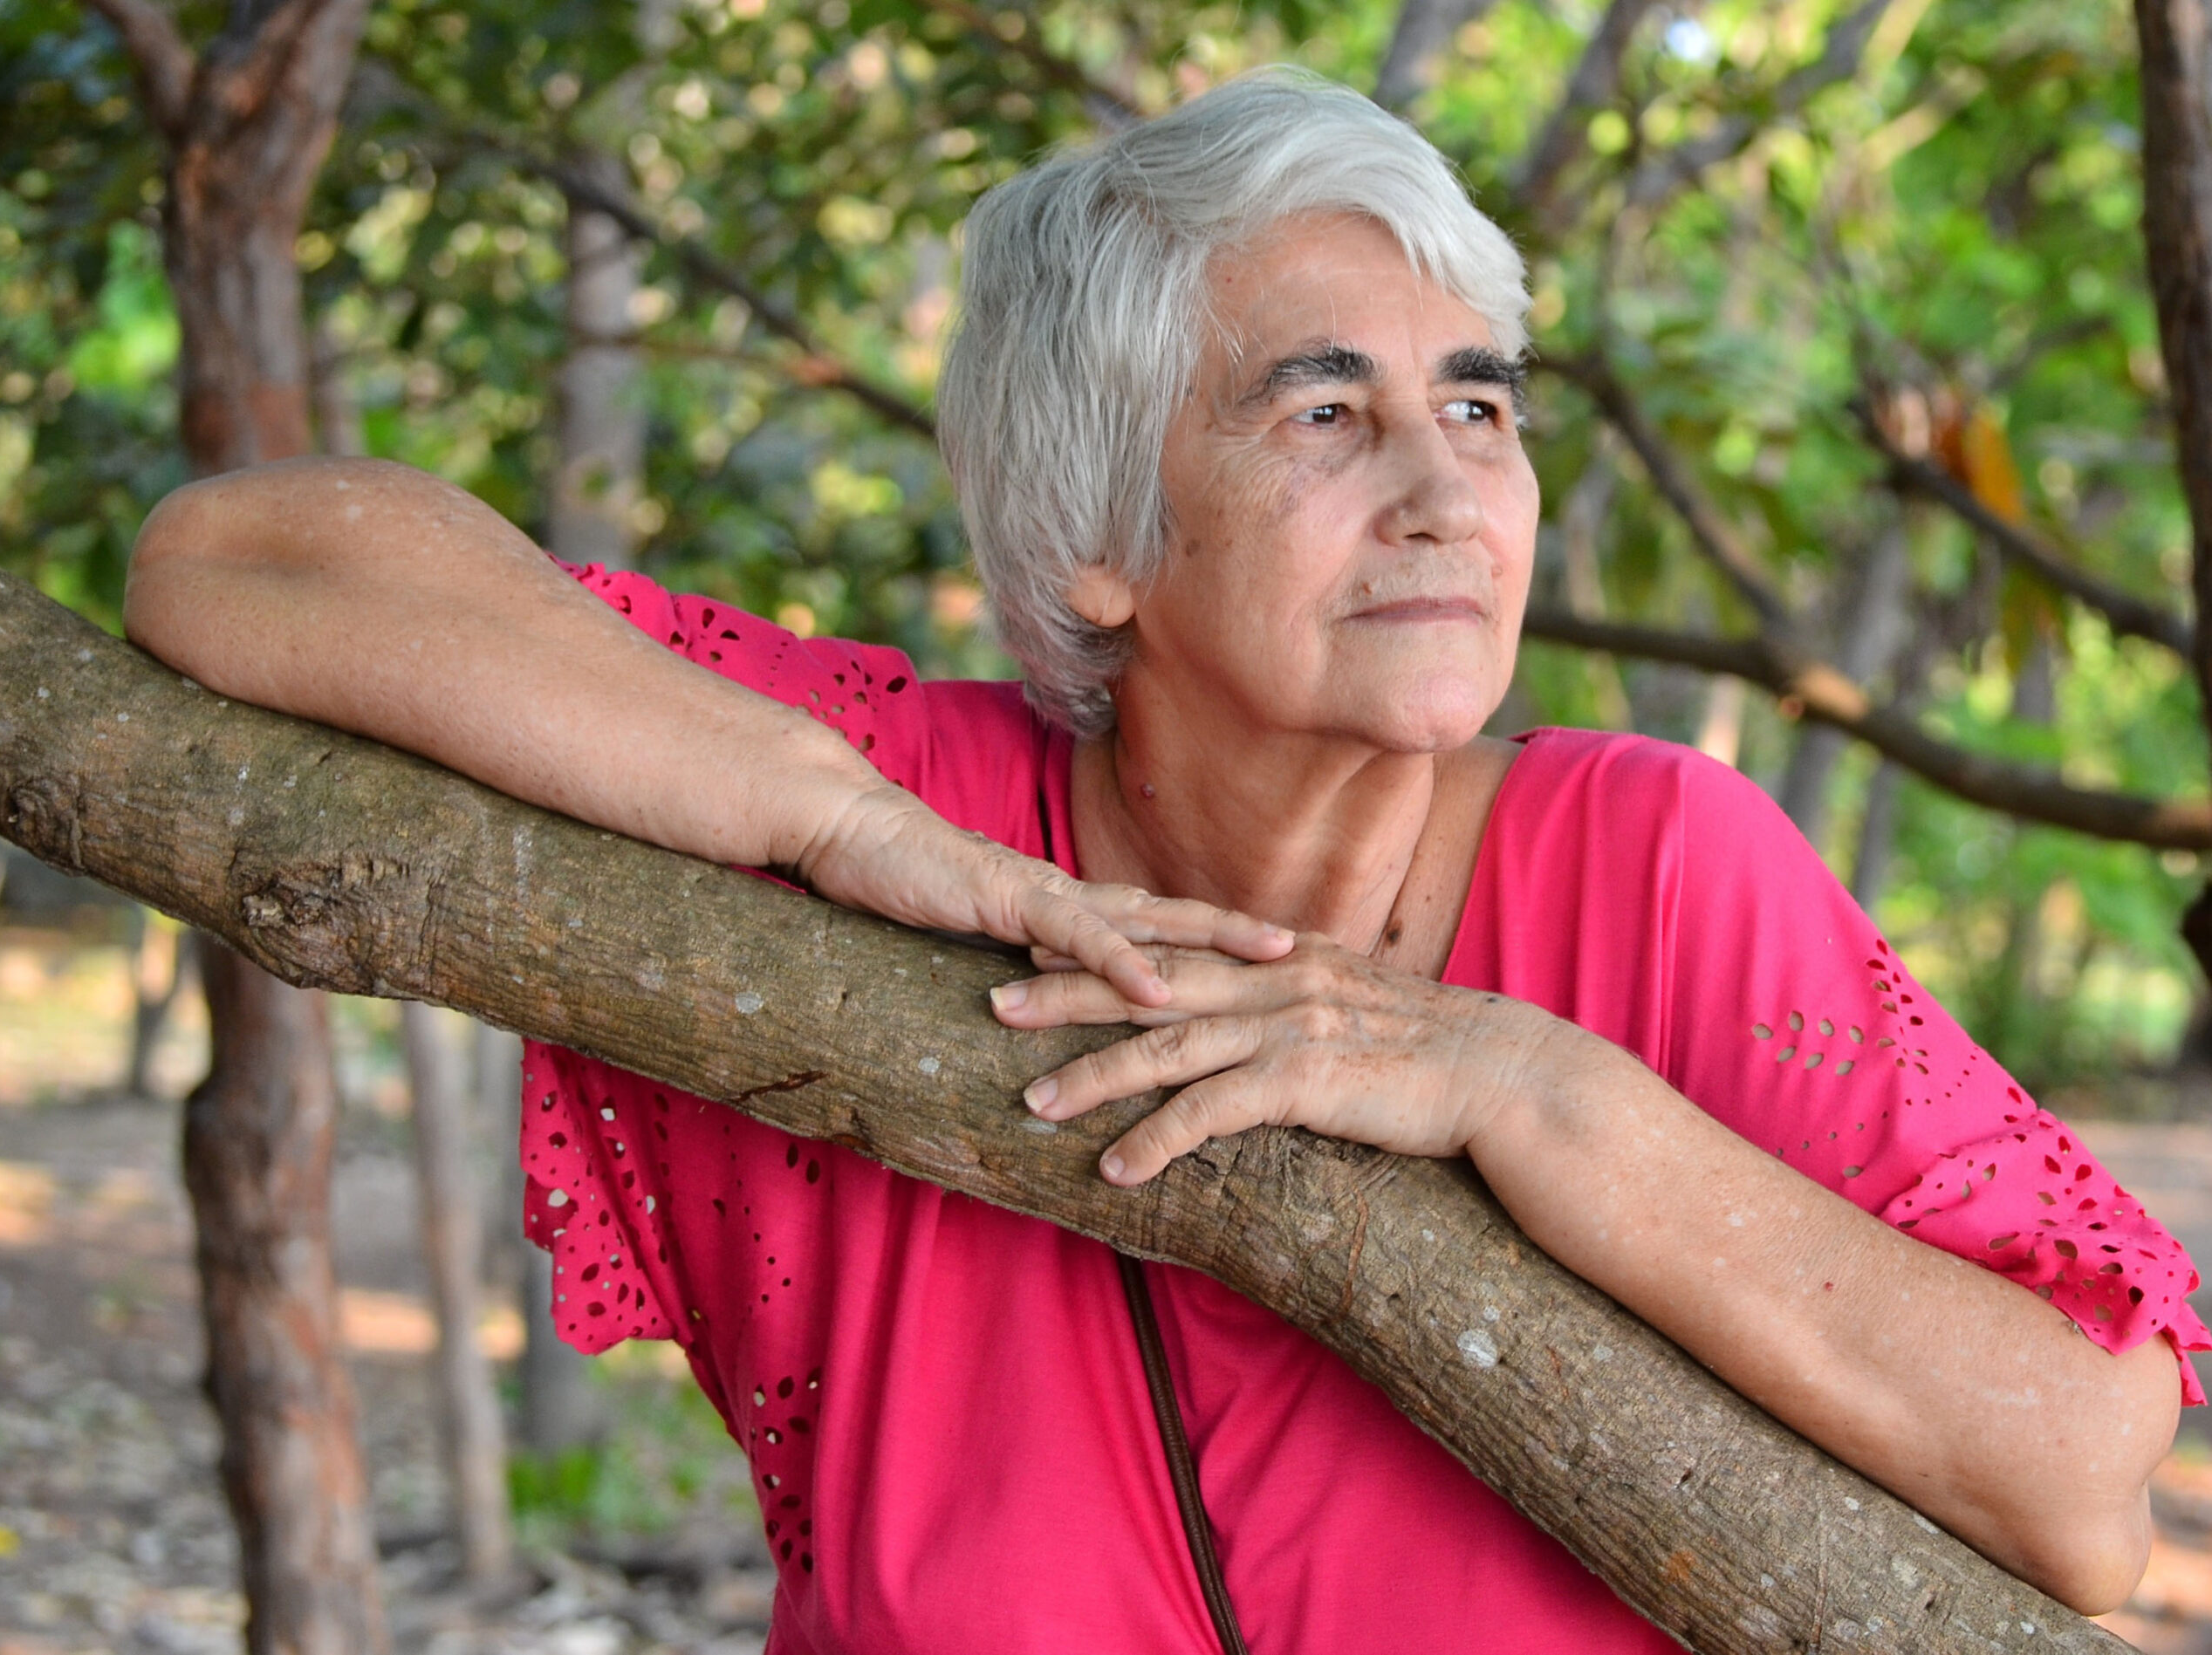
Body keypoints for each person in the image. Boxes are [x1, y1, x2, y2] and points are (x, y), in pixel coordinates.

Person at [125, 66, 2202, 1653]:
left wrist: (1528, 1083)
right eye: (1324, 415)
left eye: (1475, 407)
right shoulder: (874, 809)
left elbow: (2087, 1483)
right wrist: (834, 823)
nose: (1442, 493)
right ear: (1092, 535)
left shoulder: (1651, 865)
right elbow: (241, 559)